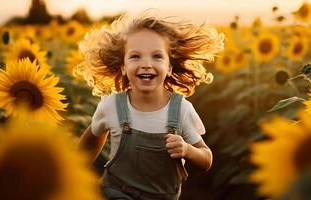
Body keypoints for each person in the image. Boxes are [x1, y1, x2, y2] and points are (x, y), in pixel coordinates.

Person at [75, 11, 224, 200]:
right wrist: (74, 173)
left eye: (157, 56)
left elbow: (206, 158)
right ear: (123, 66)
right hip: (116, 192)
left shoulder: (181, 110)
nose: (146, 64)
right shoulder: (112, 105)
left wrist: (187, 150)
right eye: (135, 56)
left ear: (169, 67)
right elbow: (92, 137)